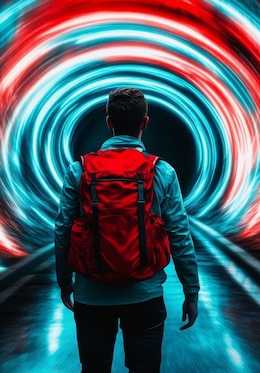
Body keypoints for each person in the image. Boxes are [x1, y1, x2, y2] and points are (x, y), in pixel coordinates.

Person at [54, 87, 200, 373]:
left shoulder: (79, 170)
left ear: (108, 121)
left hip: (91, 293)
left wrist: (64, 281)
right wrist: (191, 292)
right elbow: (180, 236)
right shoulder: (162, 171)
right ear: (145, 122)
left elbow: (62, 230)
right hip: (144, 294)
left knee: (94, 368)